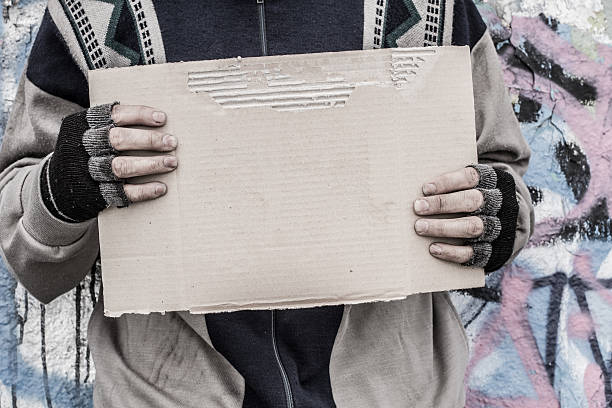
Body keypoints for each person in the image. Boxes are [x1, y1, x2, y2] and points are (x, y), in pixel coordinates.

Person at [0, 0, 534, 406]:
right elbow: (22, 233)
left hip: (395, 390)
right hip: (168, 392)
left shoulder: (424, 8)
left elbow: (500, 172)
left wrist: (498, 215)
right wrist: (61, 190)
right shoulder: (94, 14)